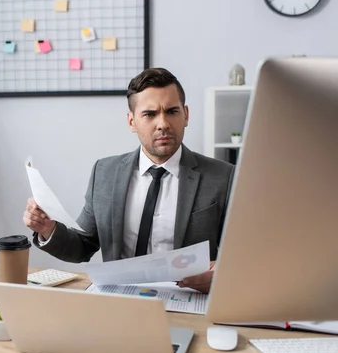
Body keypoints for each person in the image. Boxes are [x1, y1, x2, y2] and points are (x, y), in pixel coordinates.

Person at [23, 68, 235, 293]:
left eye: (172, 111)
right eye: (150, 114)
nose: (162, 123)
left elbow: (245, 255)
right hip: (121, 300)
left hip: (189, 300)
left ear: (186, 115)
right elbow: (82, 246)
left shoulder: (223, 176)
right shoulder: (104, 172)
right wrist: (49, 229)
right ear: (132, 122)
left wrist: (224, 273)